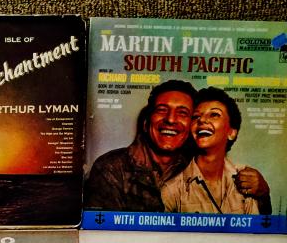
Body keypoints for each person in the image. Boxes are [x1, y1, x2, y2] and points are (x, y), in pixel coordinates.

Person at [84, 80, 270, 212]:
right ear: (146, 123)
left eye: (182, 113)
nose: (171, 120)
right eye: (162, 110)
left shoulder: (197, 165)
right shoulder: (111, 168)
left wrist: (262, 192)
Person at [162, 87, 262, 214]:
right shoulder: (171, 190)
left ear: (231, 132)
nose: (202, 120)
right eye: (196, 116)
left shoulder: (246, 182)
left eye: (214, 114)